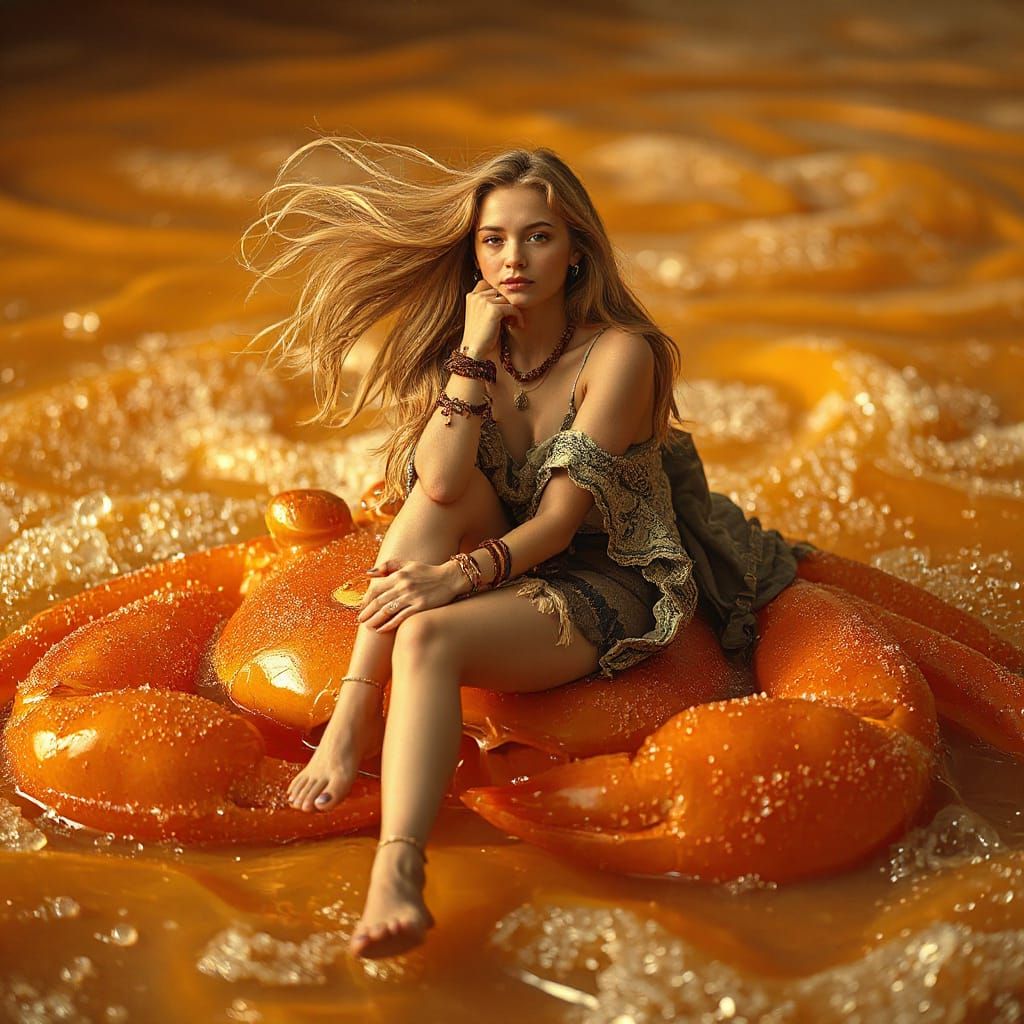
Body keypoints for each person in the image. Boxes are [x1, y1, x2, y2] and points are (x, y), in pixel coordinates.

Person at [239, 137, 800, 961]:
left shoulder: (621, 355)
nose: (514, 259)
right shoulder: (475, 349)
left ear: (576, 249)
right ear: (474, 254)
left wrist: (453, 579)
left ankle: (398, 871)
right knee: (440, 495)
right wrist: (471, 351)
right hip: (500, 534)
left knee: (429, 636)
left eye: (538, 237)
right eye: (494, 240)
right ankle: (354, 712)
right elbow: (439, 483)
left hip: (602, 576)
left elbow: (562, 522)